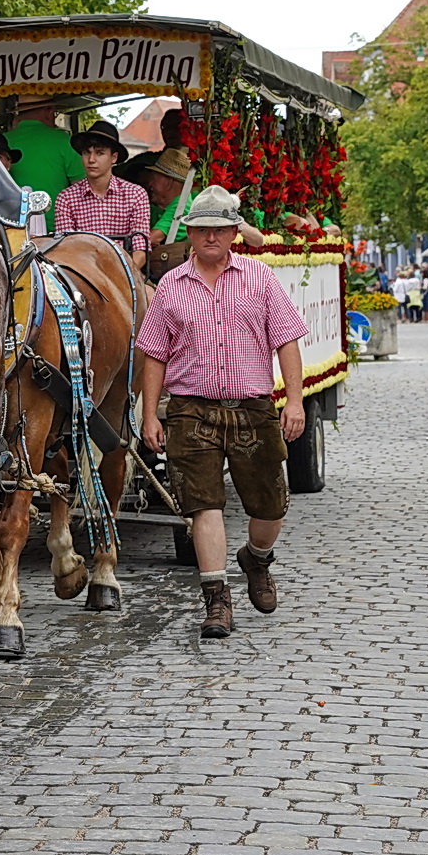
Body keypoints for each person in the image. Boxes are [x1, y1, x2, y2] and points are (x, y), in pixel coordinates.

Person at [135, 186, 308, 640]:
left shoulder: (260, 277)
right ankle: (216, 601)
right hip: (192, 409)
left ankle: (257, 557)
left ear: (234, 232)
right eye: (201, 229)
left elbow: (287, 339)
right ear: (189, 234)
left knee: (270, 504)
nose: (210, 236)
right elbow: (153, 354)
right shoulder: (171, 286)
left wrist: (294, 399)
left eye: (219, 228)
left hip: (252, 407)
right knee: (203, 505)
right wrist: (150, 414)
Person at [50, 120, 150, 272]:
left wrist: (121, 278)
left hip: (126, 274)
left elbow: (140, 251)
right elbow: (66, 251)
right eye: (86, 153)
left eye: (100, 153)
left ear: (114, 158)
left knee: (151, 295)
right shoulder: (66, 198)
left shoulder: (136, 194)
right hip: (82, 276)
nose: (91, 160)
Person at [6, 96, 85, 206]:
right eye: (55, 113)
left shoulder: (3, 141)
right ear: (49, 111)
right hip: (57, 221)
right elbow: (81, 187)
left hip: (8, 222)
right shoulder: (64, 140)